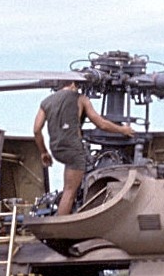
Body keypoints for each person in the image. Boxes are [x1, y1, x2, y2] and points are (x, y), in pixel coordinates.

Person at [32, 82, 135, 215]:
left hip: (56, 149)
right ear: (74, 84)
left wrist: (43, 152)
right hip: (73, 150)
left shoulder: (46, 102)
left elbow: (36, 130)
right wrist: (123, 130)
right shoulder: (81, 99)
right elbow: (101, 124)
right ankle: (59, 229)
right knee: (69, 192)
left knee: (68, 187)